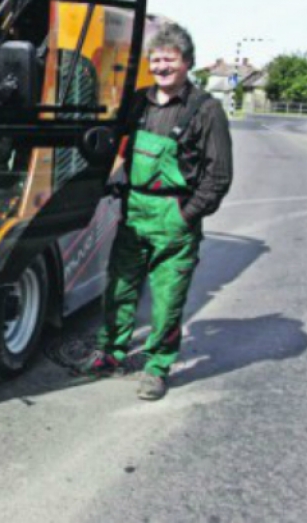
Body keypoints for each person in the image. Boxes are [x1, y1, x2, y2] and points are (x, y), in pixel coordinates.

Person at [79, 22, 233, 400]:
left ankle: (157, 367)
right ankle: (112, 353)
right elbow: (116, 145)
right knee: (119, 287)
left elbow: (219, 174)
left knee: (167, 300)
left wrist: (187, 214)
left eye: (170, 60)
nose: (161, 67)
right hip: (134, 209)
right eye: (156, 59)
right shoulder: (138, 102)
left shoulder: (206, 110)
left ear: (188, 64)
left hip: (174, 215)